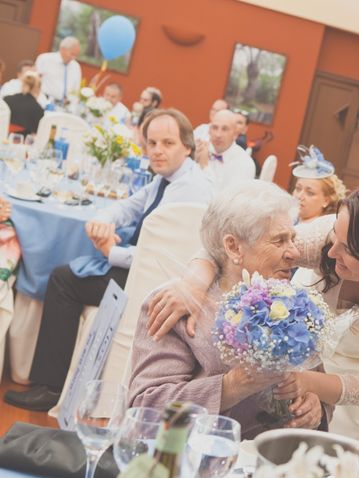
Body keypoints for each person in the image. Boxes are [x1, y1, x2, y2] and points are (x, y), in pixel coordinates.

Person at [146, 178, 359, 447]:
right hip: (304, 361)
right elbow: (236, 240)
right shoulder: (334, 235)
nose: (329, 252)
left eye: (347, 251)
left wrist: (308, 385)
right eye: (333, 239)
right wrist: (193, 283)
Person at [3, 108, 214, 412]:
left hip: (154, 284)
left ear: (188, 147)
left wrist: (111, 253)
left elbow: (162, 257)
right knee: (70, 271)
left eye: (167, 143)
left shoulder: (191, 189)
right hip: (142, 267)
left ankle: (49, 388)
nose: (157, 150)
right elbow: (127, 207)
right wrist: (102, 220)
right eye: (151, 143)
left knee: (63, 280)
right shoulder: (168, 178)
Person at [129, 180, 326, 439]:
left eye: (292, 238)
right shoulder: (180, 305)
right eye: (279, 241)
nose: (293, 252)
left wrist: (315, 406)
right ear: (233, 247)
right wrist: (232, 386)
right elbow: (147, 408)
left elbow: (316, 384)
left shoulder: (295, 304)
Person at [194, 109, 255, 187]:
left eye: (225, 129)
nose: (218, 135)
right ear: (209, 131)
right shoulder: (199, 150)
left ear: (235, 134)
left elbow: (226, 198)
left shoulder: (245, 163)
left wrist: (205, 167)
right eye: (215, 128)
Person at [290, 146, 347, 224]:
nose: (300, 196)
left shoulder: (323, 229)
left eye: (310, 193)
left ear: (326, 201)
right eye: (298, 189)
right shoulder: (288, 219)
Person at [35, 36, 81, 104]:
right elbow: (35, 82)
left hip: (65, 107)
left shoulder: (76, 66)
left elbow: (76, 89)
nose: (73, 58)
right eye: (72, 54)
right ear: (62, 49)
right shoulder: (44, 59)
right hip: (44, 102)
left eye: (76, 55)